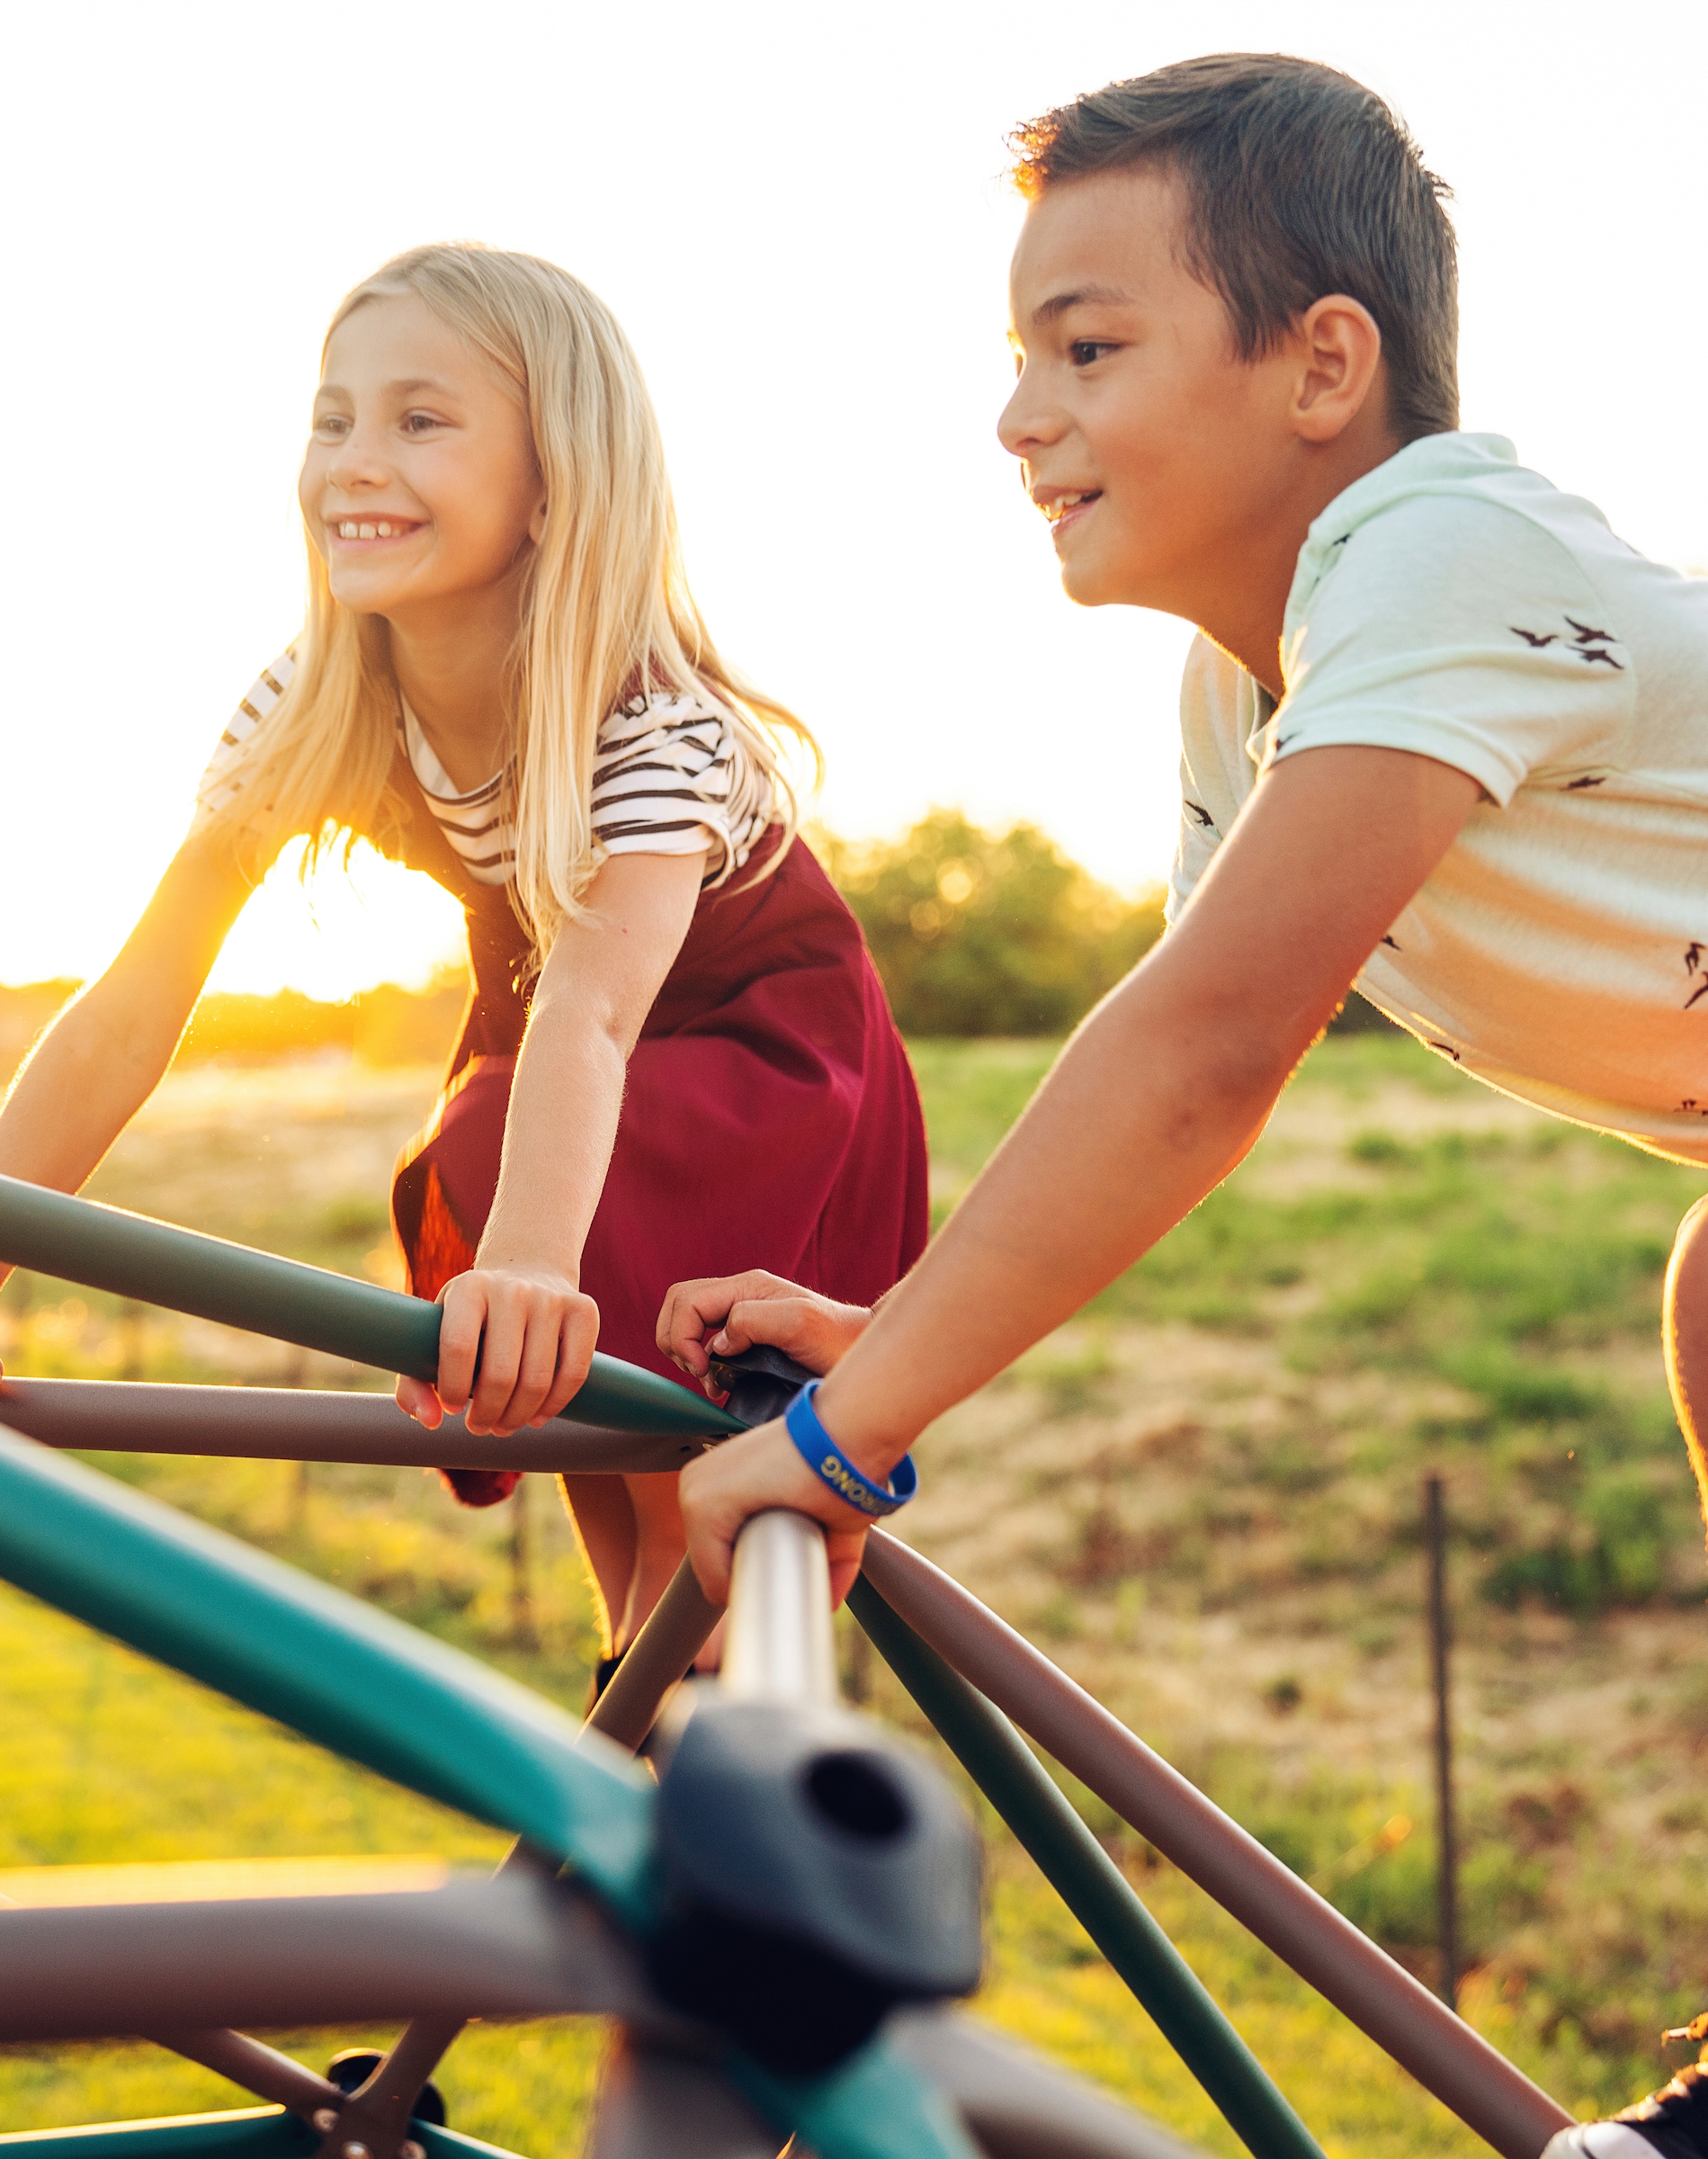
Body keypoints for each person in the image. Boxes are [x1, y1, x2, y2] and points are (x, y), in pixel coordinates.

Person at [656, 57, 1708, 2155]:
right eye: (1018, 354)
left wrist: (845, 1443)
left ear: (1324, 364)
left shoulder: (1437, 555)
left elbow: (1200, 1054)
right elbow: (1154, 1099)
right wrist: (914, 1343)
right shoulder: (1254, 691)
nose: (1017, 412)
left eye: (1089, 345)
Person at [0, 242, 927, 1684]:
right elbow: (134, 1004)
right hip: (550, 1042)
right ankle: (643, 1684)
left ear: (554, 477)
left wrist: (532, 1261)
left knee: (611, 1367)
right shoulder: (312, 699)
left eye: (420, 420)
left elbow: (602, 1008)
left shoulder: (648, 724)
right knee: (576, 1405)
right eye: (331, 416)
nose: (354, 460)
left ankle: (704, 1703)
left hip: (763, 1052)